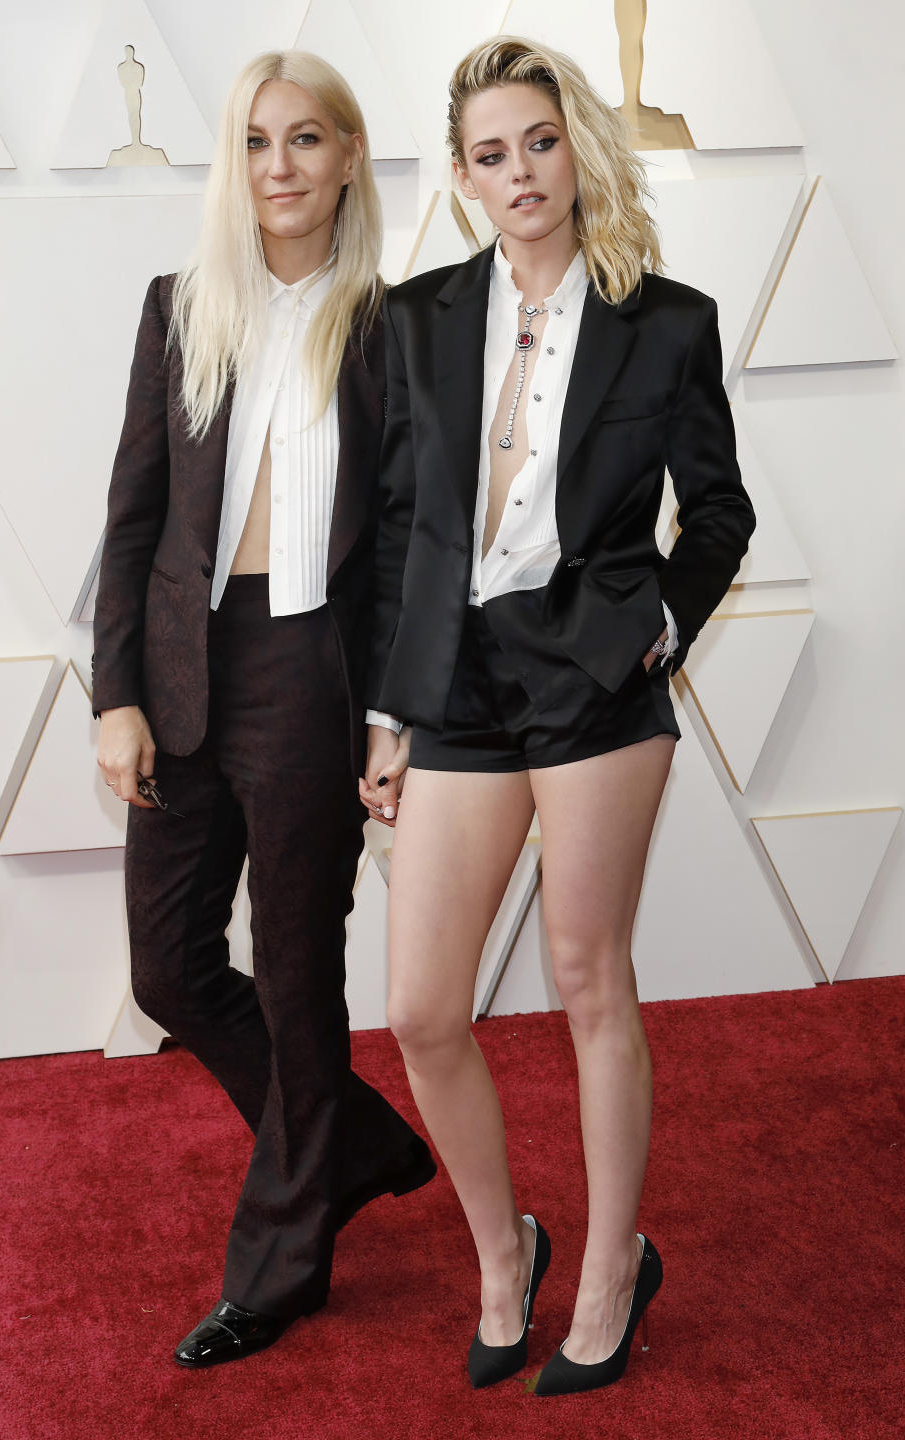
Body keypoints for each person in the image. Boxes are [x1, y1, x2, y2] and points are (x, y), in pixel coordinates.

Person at [361, 36, 754, 1396]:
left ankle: (610, 1267)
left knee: (592, 981)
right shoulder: (414, 319)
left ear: (575, 143)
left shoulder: (670, 318)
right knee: (420, 1007)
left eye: (538, 140)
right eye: (489, 152)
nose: (519, 171)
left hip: (596, 677)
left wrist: (656, 632)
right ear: (462, 175)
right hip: (457, 682)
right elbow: (407, 525)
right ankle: (502, 1253)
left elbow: (718, 516)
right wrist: (389, 711)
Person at [92, 50, 434, 1370]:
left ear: (348, 156)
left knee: (297, 975)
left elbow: (407, 544)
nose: (280, 166)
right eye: (256, 142)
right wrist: (115, 691)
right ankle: (349, 1143)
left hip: (311, 675)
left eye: (306, 139)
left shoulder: (398, 331)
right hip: (185, 665)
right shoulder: (179, 309)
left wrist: (395, 714)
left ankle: (281, 1268)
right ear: (234, 166)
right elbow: (130, 522)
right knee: (169, 966)